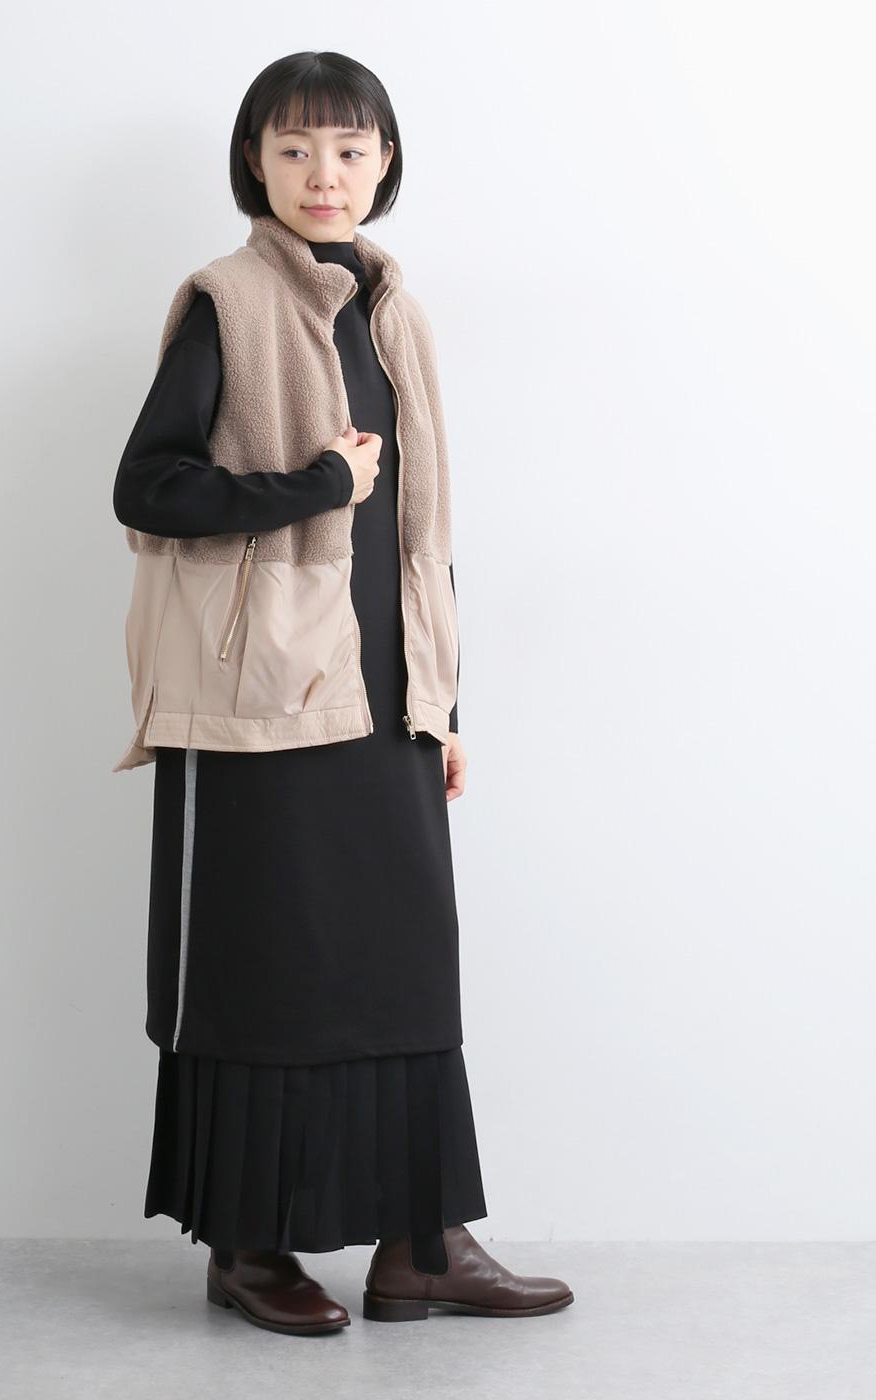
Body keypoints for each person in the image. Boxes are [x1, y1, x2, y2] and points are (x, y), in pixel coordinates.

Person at [111, 51, 574, 1336]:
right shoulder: (226, 304)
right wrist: (314, 483)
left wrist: (446, 702)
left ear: (386, 163)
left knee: (407, 961)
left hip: (387, 697)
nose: (327, 173)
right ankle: (247, 1245)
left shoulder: (393, 311)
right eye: (297, 148)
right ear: (254, 162)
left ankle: (424, 1243)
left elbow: (422, 528)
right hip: (257, 704)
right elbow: (147, 488)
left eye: (352, 149)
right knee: (264, 964)